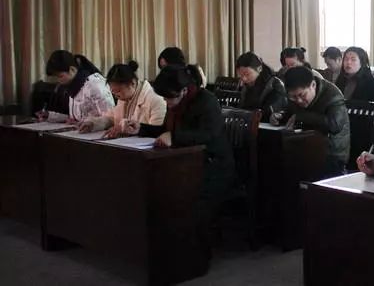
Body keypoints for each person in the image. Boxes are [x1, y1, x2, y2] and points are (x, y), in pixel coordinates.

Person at [149, 65, 235, 216]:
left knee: (174, 192)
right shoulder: (176, 101)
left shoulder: (207, 101)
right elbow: (165, 130)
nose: (166, 102)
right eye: (164, 98)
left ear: (184, 90)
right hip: (185, 160)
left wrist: (174, 137)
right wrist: (140, 128)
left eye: (169, 98)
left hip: (212, 165)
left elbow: (208, 135)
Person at [282, 66, 350, 178]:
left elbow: (335, 125)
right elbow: (291, 113)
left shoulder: (333, 95)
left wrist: (302, 116)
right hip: (304, 147)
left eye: (302, 95)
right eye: (293, 97)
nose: (298, 100)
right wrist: (279, 116)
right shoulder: (294, 96)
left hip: (331, 154)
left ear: (313, 85)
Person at [78, 61, 166, 138]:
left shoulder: (155, 99)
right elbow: (111, 118)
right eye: (113, 91)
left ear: (132, 83)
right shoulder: (124, 98)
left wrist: (126, 129)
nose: (116, 95)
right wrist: (93, 124)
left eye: (118, 91)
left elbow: (156, 132)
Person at [38, 50, 114, 123]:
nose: (58, 81)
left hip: (96, 131)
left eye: (60, 76)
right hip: (79, 130)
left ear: (72, 69)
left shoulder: (95, 84)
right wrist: (49, 116)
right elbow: (75, 118)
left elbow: (110, 119)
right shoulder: (72, 86)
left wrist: (89, 123)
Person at [235, 52, 287, 123]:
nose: (244, 78)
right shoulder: (245, 85)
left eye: (247, 74)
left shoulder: (274, 85)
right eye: (240, 75)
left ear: (259, 68)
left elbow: (268, 112)